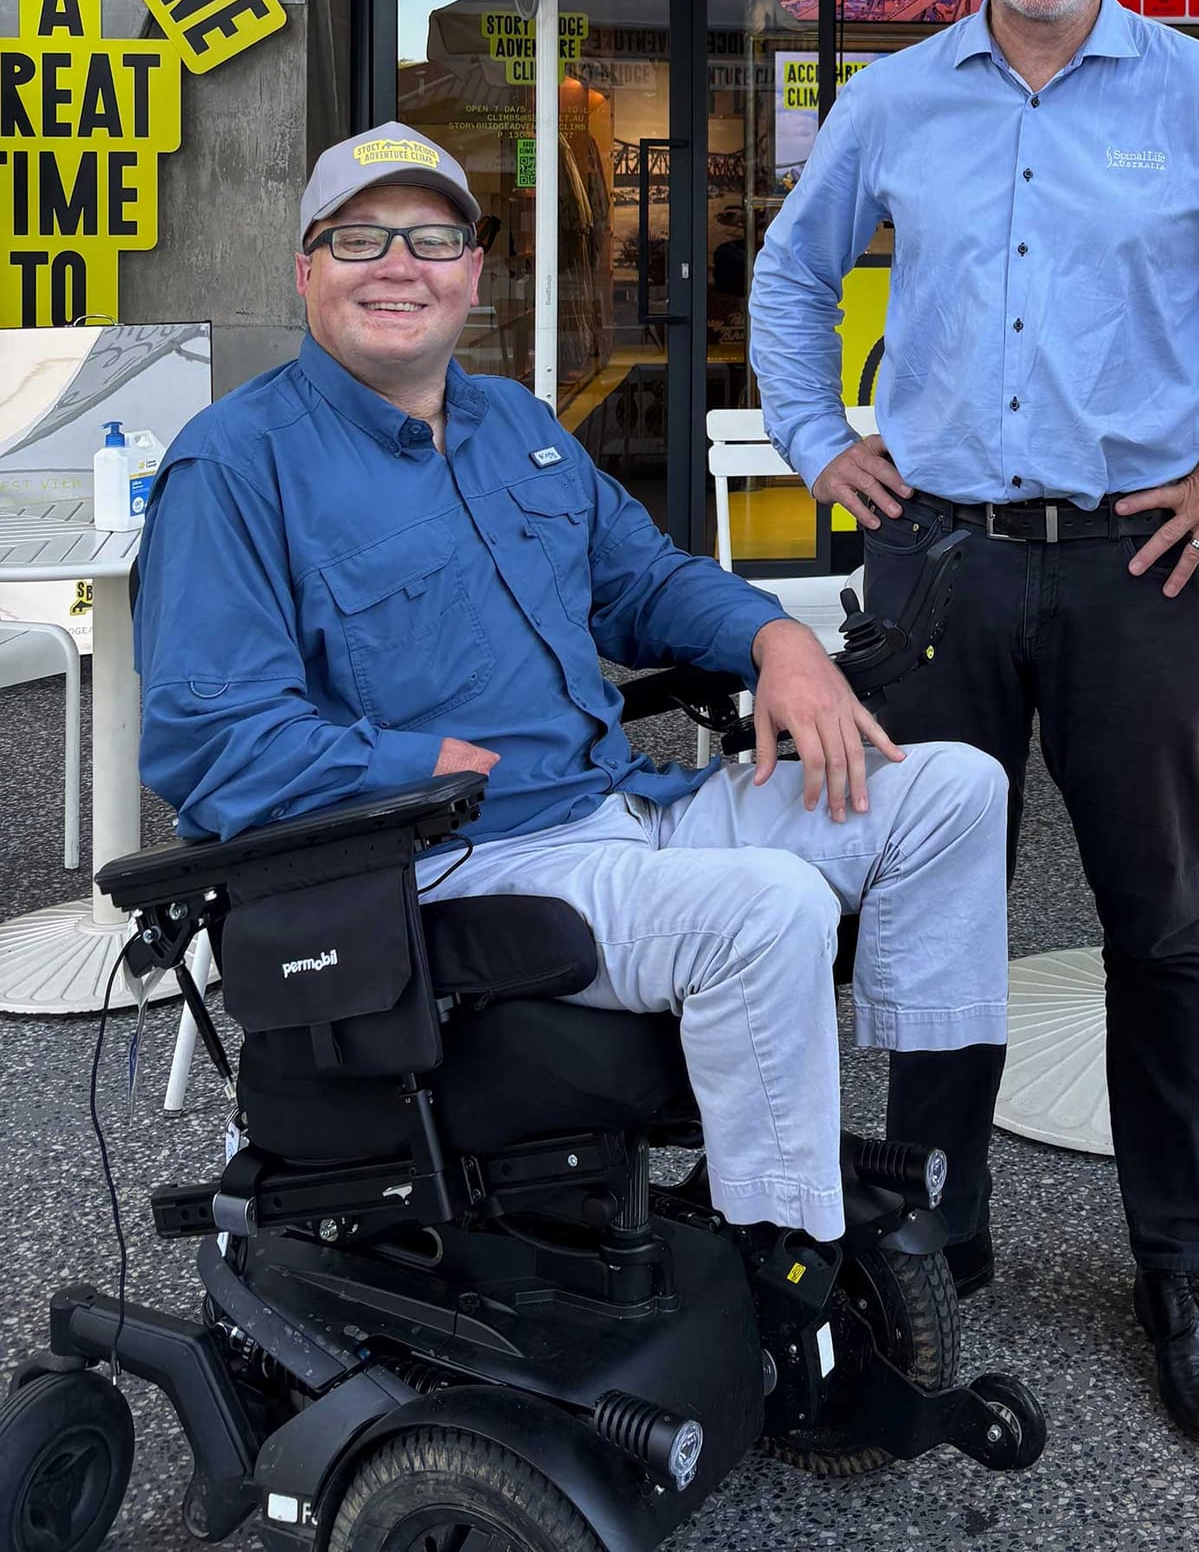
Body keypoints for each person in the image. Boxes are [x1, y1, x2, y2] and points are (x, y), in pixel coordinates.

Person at [749, 0, 1199, 1443]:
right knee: (927, 917)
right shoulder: (893, 102)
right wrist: (819, 439)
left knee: (1158, 918)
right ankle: (928, 1238)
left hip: (1135, 565)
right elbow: (790, 281)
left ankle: (1176, 1266)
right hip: (937, 562)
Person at [134, 122, 1010, 1256]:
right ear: (306, 267)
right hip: (462, 860)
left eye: (433, 238)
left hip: (628, 804)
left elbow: (643, 579)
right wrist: (413, 766)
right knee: (768, 909)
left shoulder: (516, 426)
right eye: (360, 238)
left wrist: (771, 640)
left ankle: (919, 1180)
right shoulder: (235, 465)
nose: (400, 265)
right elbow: (208, 739)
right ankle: (784, 1251)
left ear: (473, 268)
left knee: (953, 789)